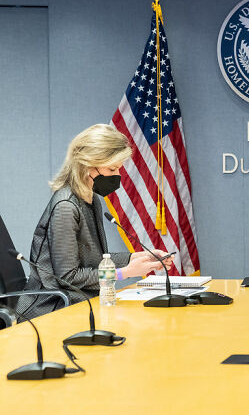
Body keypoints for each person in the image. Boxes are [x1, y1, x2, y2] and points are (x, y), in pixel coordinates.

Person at [16, 124, 172, 319]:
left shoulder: (90, 199)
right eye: (112, 168)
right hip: (52, 308)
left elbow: (94, 259)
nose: (118, 176)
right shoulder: (66, 206)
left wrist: (139, 257)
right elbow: (67, 278)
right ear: (88, 163)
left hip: (78, 302)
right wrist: (125, 272)